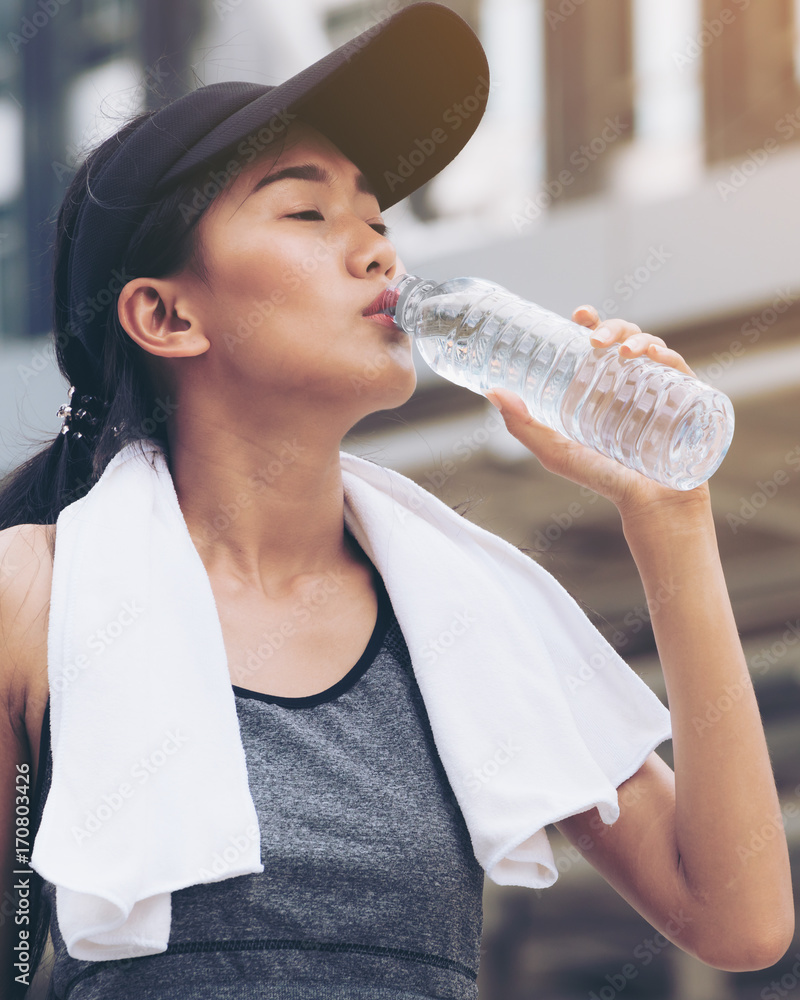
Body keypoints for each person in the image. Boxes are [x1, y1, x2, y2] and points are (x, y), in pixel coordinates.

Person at [0, 3, 793, 998]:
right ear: (164, 314)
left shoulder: (464, 610)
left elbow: (736, 916)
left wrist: (670, 518)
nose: (379, 253)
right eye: (307, 213)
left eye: (376, 220)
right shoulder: (39, 598)